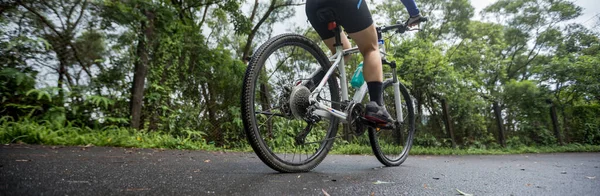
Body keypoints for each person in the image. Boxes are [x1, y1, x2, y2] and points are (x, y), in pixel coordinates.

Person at [305, 0, 423, 124]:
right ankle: (376, 106)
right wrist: (414, 14)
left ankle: (309, 86)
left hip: (312, 5)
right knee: (371, 48)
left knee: (343, 51)